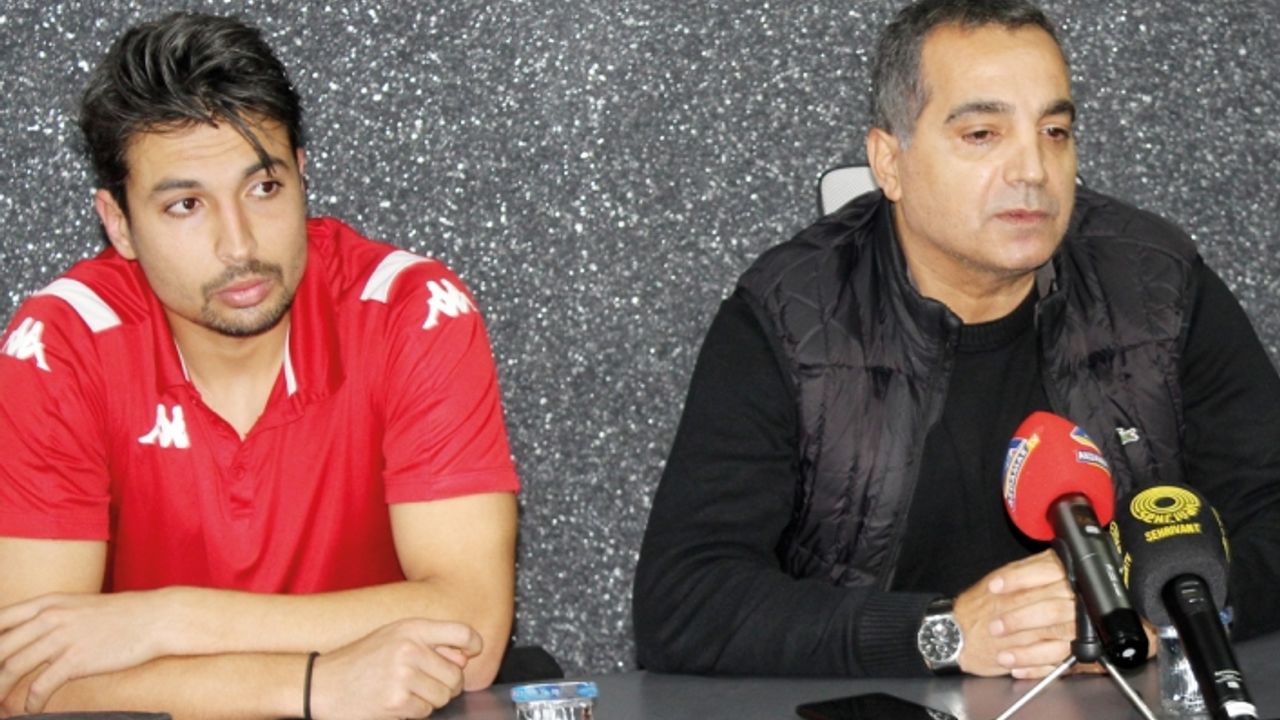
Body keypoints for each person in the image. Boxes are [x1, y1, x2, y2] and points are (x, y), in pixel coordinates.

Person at [633, 0, 1280, 680]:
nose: (1032, 169)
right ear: (890, 162)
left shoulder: (1154, 286)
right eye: (982, 134)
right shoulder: (794, 318)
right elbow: (685, 600)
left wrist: (1161, 609)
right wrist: (941, 633)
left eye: (1054, 131)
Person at [0, 11, 519, 718]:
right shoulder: (62, 344)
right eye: (186, 205)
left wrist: (166, 619)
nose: (239, 244)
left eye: (264, 188)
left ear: (302, 174)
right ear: (118, 223)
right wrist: (312, 685)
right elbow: (23, 677)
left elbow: (473, 633)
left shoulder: (408, 309)